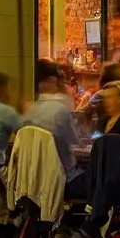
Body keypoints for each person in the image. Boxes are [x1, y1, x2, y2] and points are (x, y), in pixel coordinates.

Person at [22, 59, 83, 191]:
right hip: (65, 179)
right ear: (50, 80)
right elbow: (76, 145)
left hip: (33, 180)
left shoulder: (28, 110)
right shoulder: (59, 109)